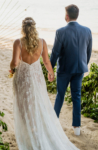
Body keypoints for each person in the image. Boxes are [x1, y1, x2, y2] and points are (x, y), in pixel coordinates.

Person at [10, 17, 80, 150]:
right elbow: (47, 61)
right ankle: (36, 129)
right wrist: (51, 73)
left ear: (23, 28)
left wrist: (11, 68)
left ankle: (30, 131)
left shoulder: (18, 42)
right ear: (34, 27)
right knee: (39, 102)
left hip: (23, 77)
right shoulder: (42, 42)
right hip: (37, 78)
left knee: (24, 104)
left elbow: (14, 63)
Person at [50, 4, 92, 136]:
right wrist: (83, 64)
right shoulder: (87, 30)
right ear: (76, 15)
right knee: (77, 97)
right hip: (80, 69)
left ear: (67, 16)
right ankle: (77, 129)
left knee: (60, 96)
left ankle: (54, 124)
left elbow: (55, 53)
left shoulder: (60, 31)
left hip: (64, 70)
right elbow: (88, 51)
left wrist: (50, 69)